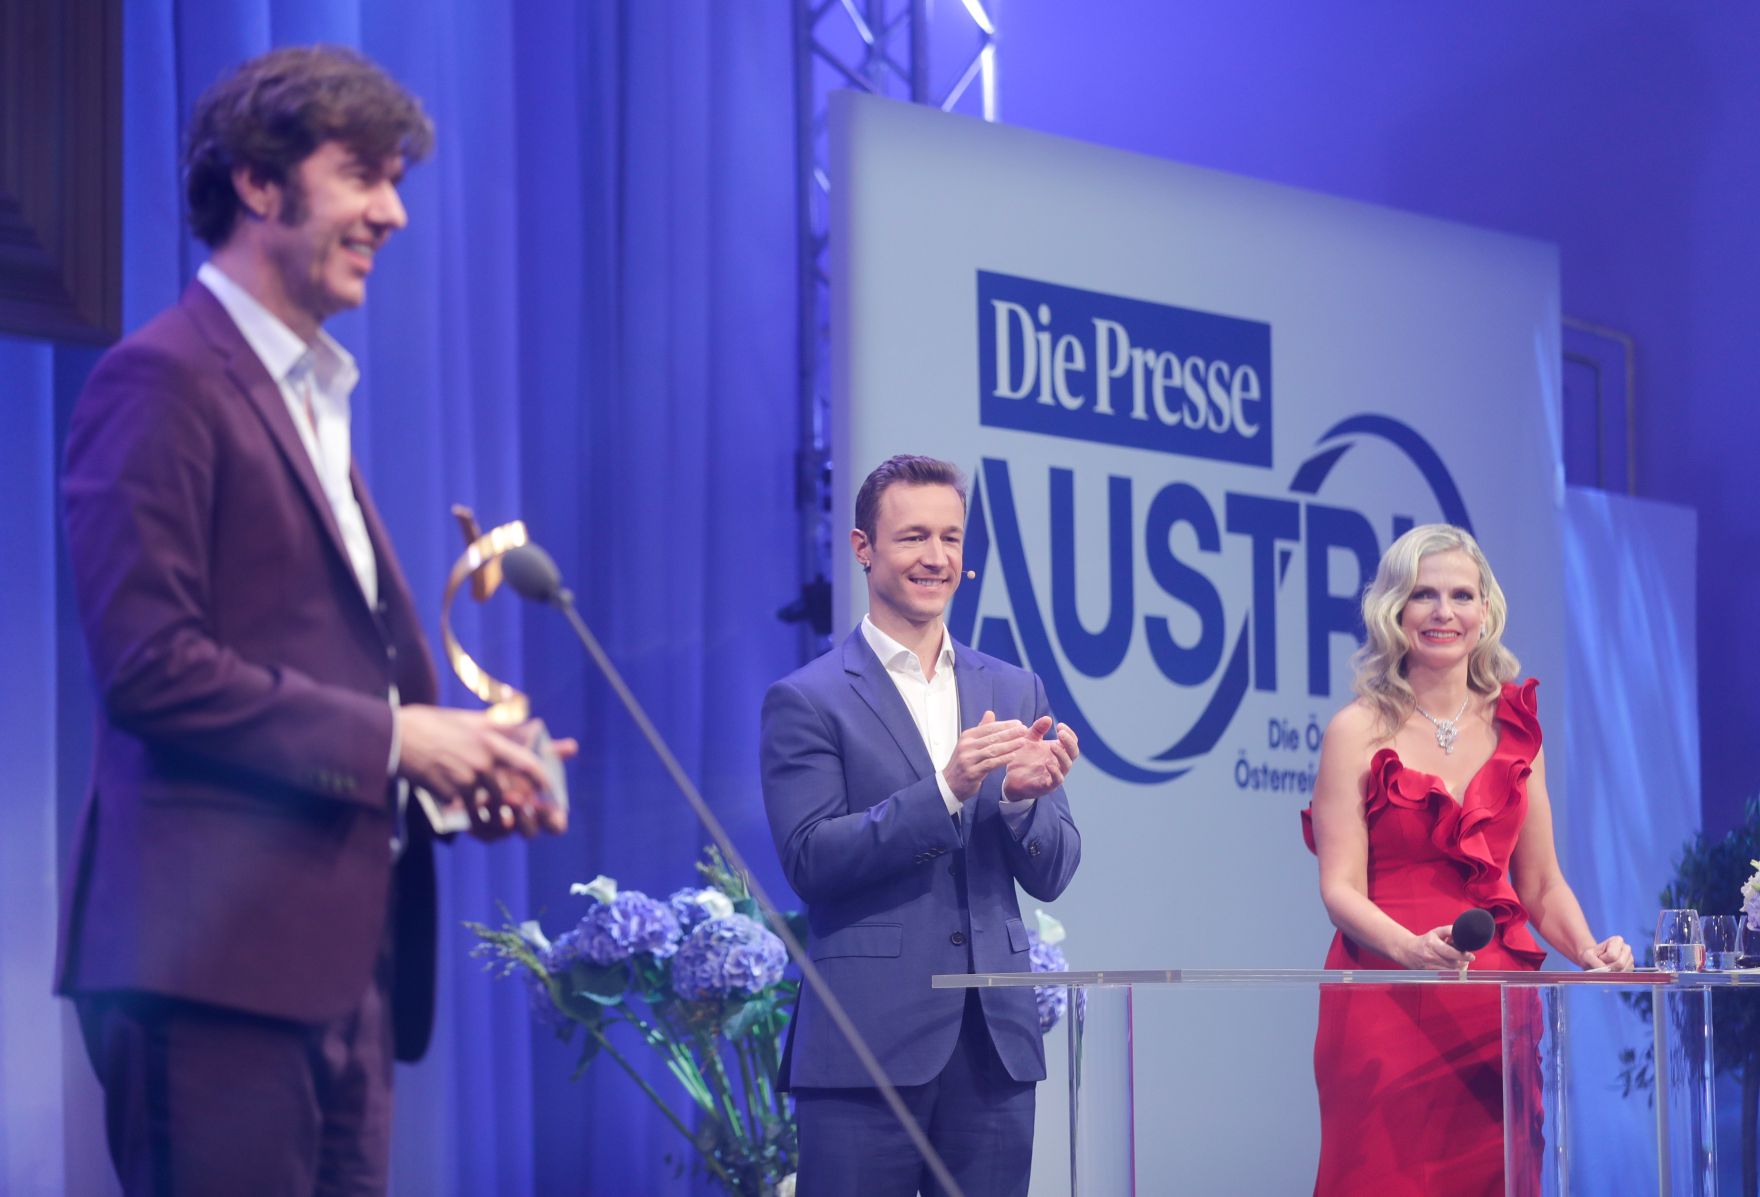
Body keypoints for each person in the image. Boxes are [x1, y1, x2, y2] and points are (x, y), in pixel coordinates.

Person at [56, 45, 567, 1196]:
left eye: (395, 182)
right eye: (362, 176)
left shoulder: (306, 396)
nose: (391, 212)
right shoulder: (164, 381)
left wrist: (453, 774)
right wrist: (399, 739)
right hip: (211, 973)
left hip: (341, 970)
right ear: (255, 180)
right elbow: (151, 668)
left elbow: (319, 669)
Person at [760, 454, 1082, 1196]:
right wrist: (947, 788)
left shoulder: (1013, 685)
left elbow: (1055, 869)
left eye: (951, 538)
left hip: (994, 1051)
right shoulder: (807, 699)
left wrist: (1016, 801)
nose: (935, 557)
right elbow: (811, 857)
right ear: (863, 548)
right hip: (865, 1050)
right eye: (912, 538)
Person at [1300, 523, 1632, 1195]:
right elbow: (1339, 887)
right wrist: (1411, 948)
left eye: (1461, 595)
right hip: (1383, 995)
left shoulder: (1518, 730)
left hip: (1494, 1007)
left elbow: (1539, 882)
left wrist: (1588, 948)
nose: (1443, 612)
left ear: (1486, 613)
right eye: (1424, 595)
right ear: (1395, 611)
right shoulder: (1354, 731)